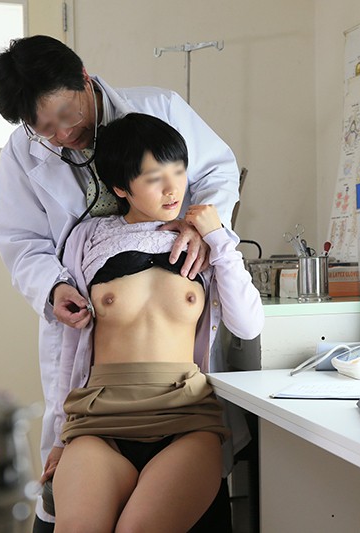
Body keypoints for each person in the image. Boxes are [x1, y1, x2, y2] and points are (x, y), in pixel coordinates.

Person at [0, 35, 242, 530]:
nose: (63, 135)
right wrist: (53, 288)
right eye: (45, 130)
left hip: (178, 399)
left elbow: (218, 171)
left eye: (67, 116)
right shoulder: (24, 155)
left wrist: (203, 228)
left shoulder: (160, 109)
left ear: (85, 79)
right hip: (95, 377)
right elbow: (21, 239)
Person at [47, 113, 263, 532]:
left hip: (185, 421)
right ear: (120, 188)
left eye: (179, 171)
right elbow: (68, 346)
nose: (173, 188)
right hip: (98, 421)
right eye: (154, 178)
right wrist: (58, 438)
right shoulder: (88, 239)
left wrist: (219, 238)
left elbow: (248, 325)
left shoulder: (205, 241)